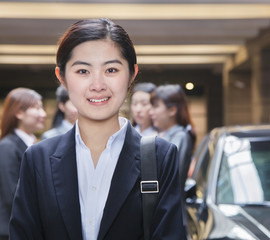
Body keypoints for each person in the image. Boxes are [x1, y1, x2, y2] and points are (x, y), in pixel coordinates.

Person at [9, 18, 185, 240]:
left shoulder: (161, 156)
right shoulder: (38, 159)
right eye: (83, 71)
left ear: (132, 74)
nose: (97, 85)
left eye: (111, 69)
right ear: (61, 77)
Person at [0, 88, 46, 240]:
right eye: (37, 108)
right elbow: (11, 195)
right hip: (11, 230)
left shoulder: (35, 145)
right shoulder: (7, 146)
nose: (43, 114)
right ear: (18, 113)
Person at [149, 84, 196, 236]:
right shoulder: (164, 135)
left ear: (172, 110)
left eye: (156, 107)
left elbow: (169, 175)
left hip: (171, 214)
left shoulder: (180, 136)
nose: (151, 112)